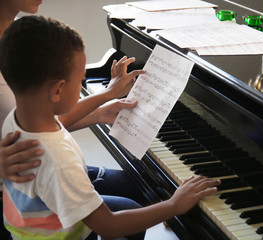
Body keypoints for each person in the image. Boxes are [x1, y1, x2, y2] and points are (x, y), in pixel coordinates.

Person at [0, 15, 220, 239]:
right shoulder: (58, 161)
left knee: (131, 205)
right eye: (80, 81)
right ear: (57, 90)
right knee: (130, 215)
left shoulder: (21, 119)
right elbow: (109, 226)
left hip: (28, 226)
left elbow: (59, 118)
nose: (81, 86)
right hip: (63, 235)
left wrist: (107, 95)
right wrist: (174, 205)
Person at [0, 0, 149, 238]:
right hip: (23, 191)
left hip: (37, 167)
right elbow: (107, 224)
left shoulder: (22, 34)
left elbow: (40, 117)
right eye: (79, 79)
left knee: (139, 186)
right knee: (131, 207)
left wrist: (100, 108)